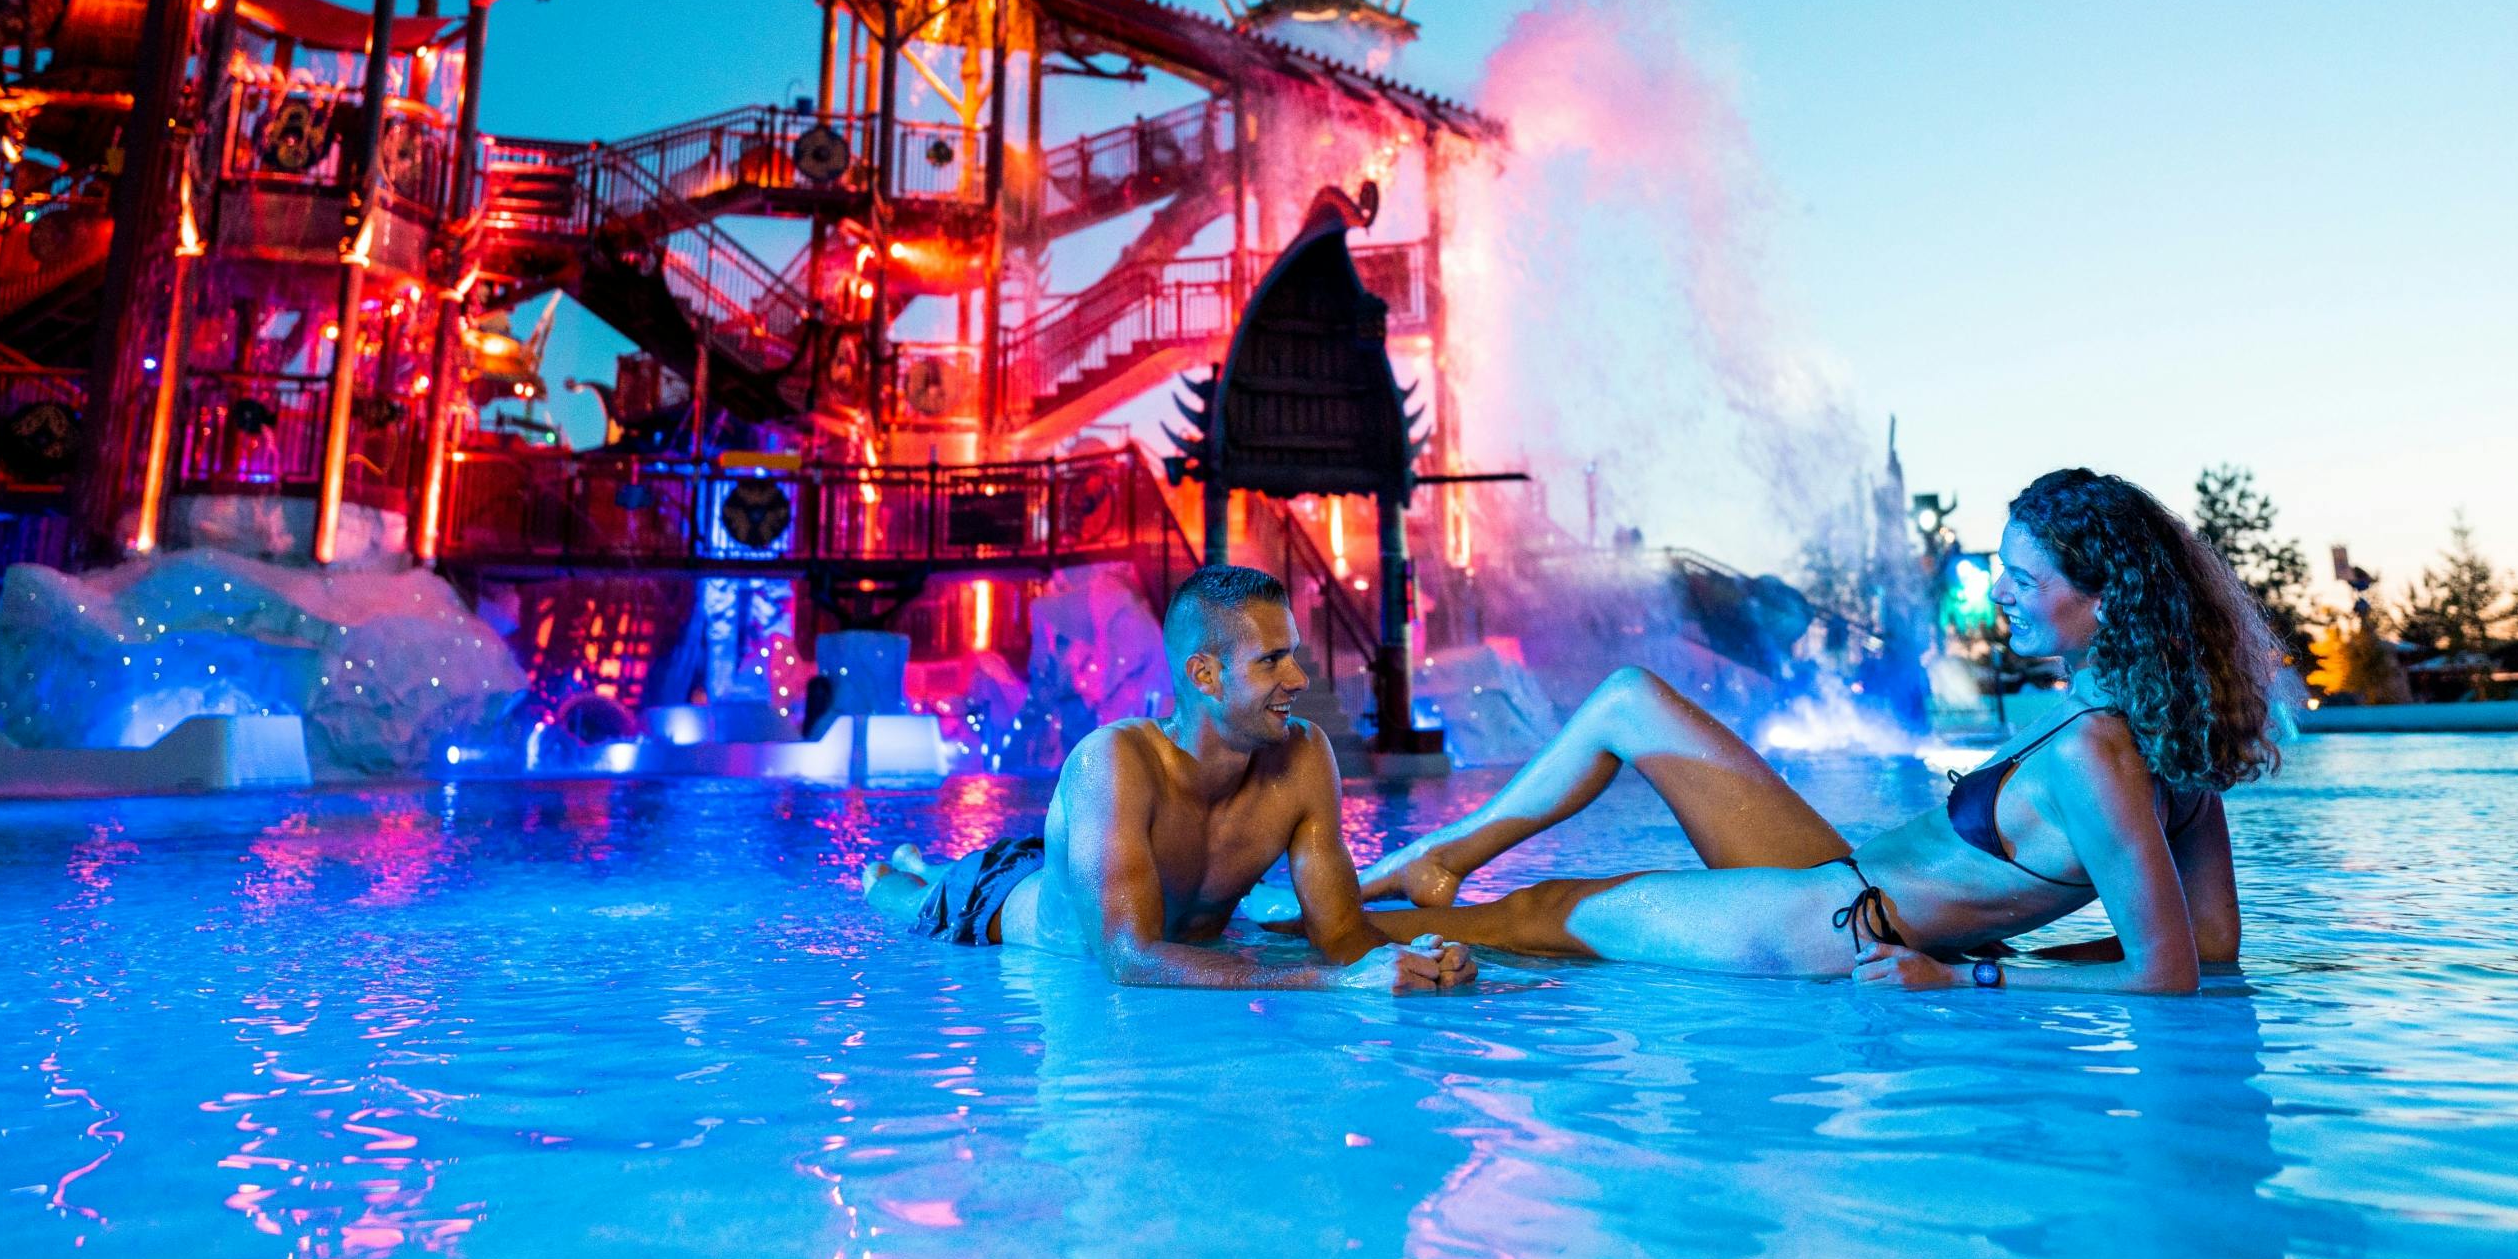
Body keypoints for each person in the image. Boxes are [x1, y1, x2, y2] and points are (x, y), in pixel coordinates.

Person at [1345, 469, 2284, 995]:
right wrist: (1994, 946)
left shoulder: (2099, 755)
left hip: (1817, 931)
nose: (1997, 593)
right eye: (2000, 567)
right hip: (1840, 882)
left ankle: (1308, 942)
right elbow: (2209, 947)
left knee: (1537, 915)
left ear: (2106, 600)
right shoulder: (2166, 754)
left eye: (2022, 580)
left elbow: (2170, 975)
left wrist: (1967, 985)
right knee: (1630, 698)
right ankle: (1436, 853)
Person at [863, 563, 1476, 992]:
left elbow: (1342, 933)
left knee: (1003, 862)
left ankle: (925, 860)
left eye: (1291, 654)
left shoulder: (1304, 756)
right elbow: (1129, 958)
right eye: (1271, 661)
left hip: (1089, 859)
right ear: (1204, 676)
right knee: (908, 896)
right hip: (996, 903)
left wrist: (1409, 963)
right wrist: (1335, 985)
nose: (1297, 679)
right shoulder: (1113, 762)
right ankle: (890, 870)